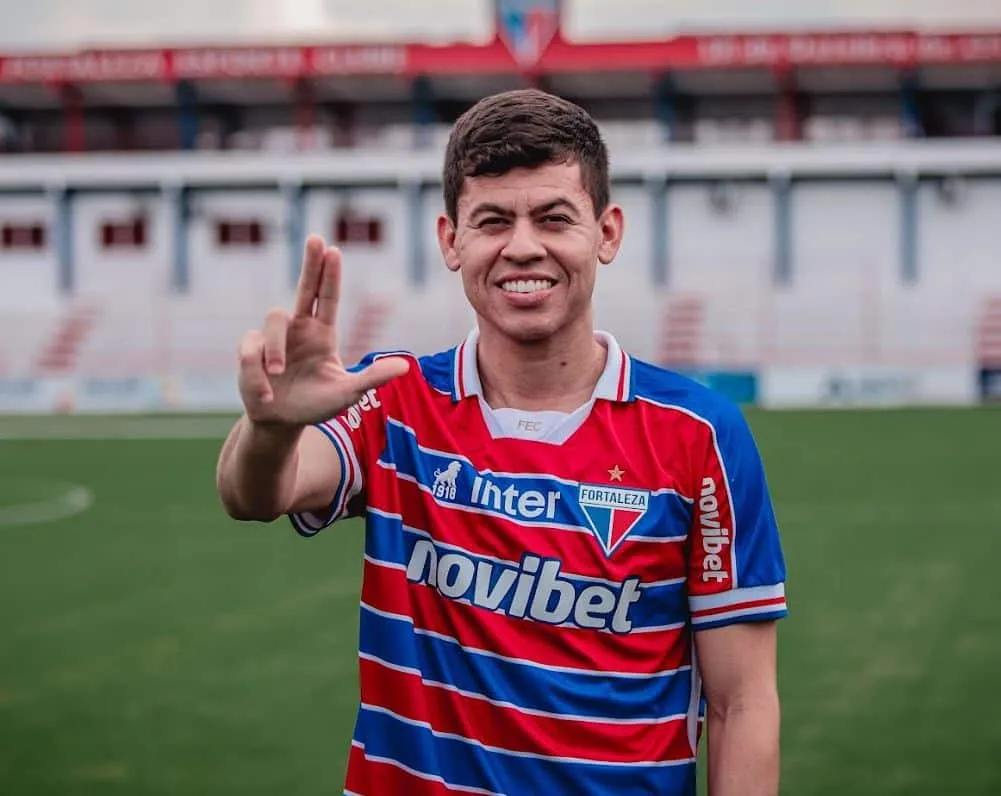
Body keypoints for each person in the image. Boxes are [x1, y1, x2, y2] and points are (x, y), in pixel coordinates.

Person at [216, 88, 788, 796]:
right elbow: (255, 493)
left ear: (606, 232)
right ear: (450, 240)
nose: (523, 246)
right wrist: (273, 427)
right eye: (492, 220)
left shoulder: (699, 435)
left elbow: (741, 702)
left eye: (553, 218)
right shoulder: (392, 399)